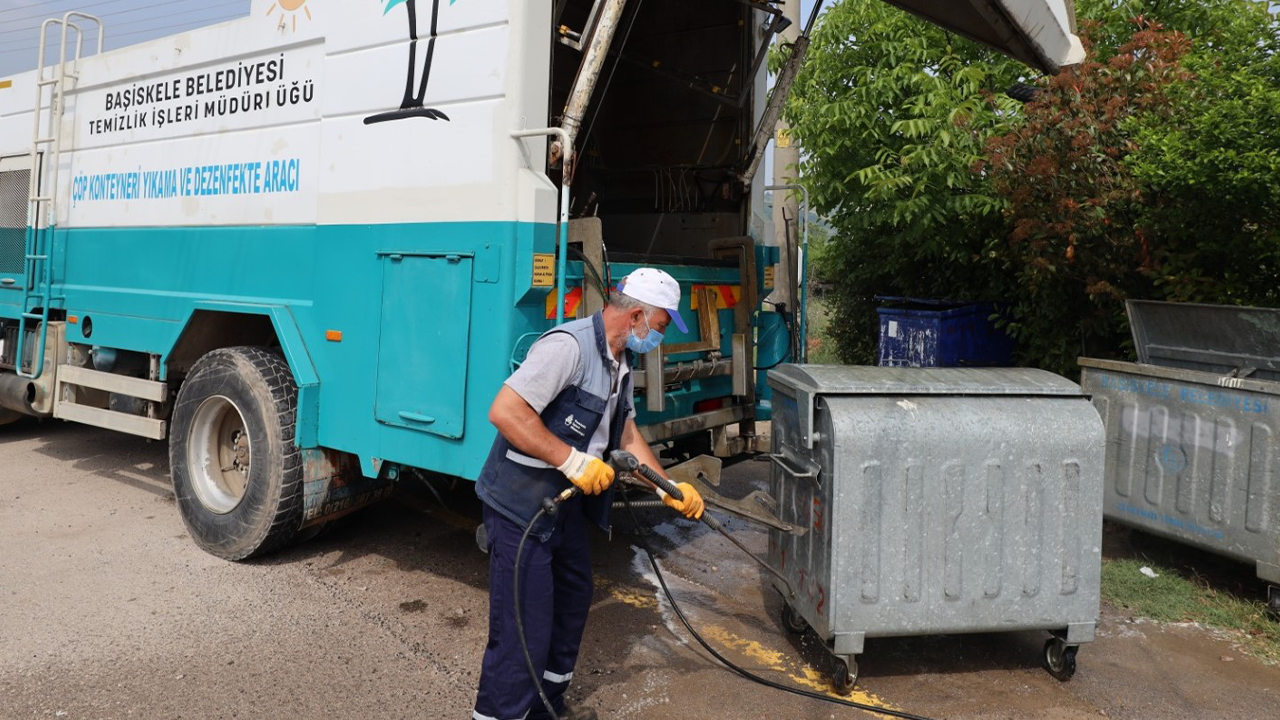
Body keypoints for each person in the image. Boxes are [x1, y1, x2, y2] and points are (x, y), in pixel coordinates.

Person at [471, 268, 706, 720]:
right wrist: (572, 461)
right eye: (659, 327)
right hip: (520, 507)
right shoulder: (569, 347)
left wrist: (668, 487)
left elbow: (627, 434)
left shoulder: (621, 360)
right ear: (636, 316)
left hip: (562, 508)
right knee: (524, 628)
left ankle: (547, 708)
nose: (659, 338)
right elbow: (505, 412)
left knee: (573, 599)